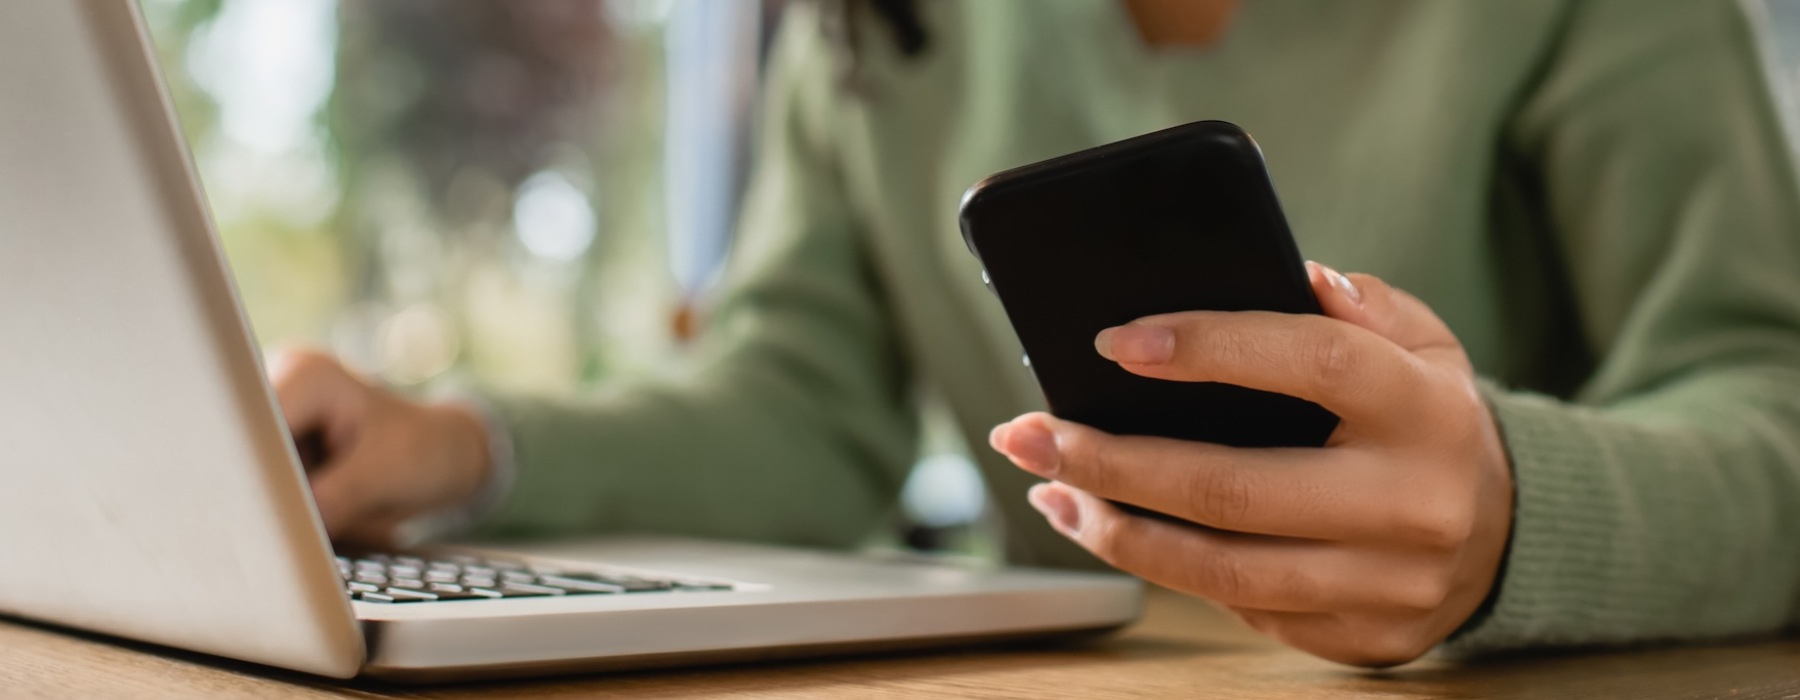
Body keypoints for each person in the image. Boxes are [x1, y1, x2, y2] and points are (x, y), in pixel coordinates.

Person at [271, 0, 1800, 667]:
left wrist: (1517, 519)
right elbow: (798, 408)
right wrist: (460, 445)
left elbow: (1771, 401)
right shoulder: (877, 23)